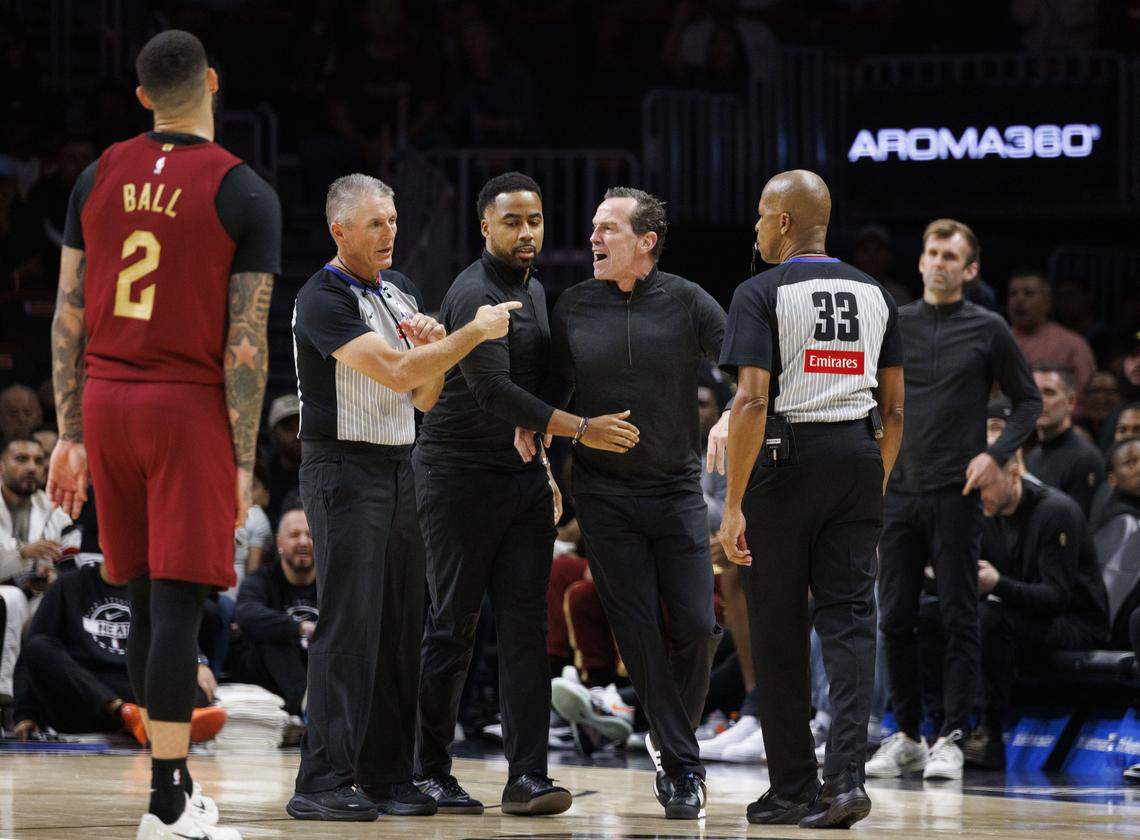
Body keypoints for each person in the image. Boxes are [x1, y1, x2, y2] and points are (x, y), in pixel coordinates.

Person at [47, 30, 281, 840]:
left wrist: (68, 431)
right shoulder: (244, 191)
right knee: (179, 599)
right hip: (185, 405)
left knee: (146, 591)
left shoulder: (97, 172)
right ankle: (168, 804)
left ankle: (173, 789)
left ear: (143, 95)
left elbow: (66, 315)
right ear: (212, 82)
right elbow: (245, 348)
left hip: (107, 397)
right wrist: (242, 462)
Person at [287, 173, 519, 822]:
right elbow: (392, 371)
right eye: (375, 223)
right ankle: (322, 780)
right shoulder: (321, 296)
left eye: (392, 219)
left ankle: (388, 777)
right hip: (341, 469)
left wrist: (433, 350)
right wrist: (466, 336)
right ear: (341, 231)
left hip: (399, 463)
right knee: (349, 623)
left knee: (399, 626)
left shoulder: (402, 292)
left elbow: (421, 395)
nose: (390, 232)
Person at [412, 172, 638, 817]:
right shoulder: (473, 291)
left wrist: (539, 438)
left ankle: (528, 777)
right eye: (512, 221)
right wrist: (577, 431)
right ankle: (428, 770)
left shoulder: (535, 290)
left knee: (526, 630)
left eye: (535, 220)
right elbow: (493, 392)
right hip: (456, 477)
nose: (527, 232)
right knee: (453, 626)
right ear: (485, 226)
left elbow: (544, 382)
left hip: (518, 480)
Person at [717, 169, 905, 829]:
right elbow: (897, 408)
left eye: (762, 215)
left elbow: (750, 399)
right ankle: (846, 781)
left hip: (786, 461)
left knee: (778, 628)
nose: (758, 227)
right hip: (858, 458)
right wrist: (870, 483)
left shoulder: (760, 291)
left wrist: (734, 503)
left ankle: (793, 787)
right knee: (852, 623)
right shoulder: (876, 292)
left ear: (785, 220)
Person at [533, 186, 725, 819]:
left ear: (645, 242)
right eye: (592, 227)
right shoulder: (572, 307)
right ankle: (681, 764)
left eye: (607, 229)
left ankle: (671, 738)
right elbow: (548, 398)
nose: (592, 237)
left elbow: (747, 368)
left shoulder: (689, 301)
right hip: (604, 494)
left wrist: (731, 416)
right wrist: (545, 459)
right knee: (637, 625)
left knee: (697, 625)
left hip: (675, 490)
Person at [870, 219, 1040, 784]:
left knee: (959, 614)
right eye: (932, 252)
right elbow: (867, 394)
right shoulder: (894, 323)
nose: (939, 262)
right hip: (898, 492)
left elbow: (1028, 401)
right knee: (892, 617)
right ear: (919, 262)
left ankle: (952, 736)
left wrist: (997, 454)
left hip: (956, 494)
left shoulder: (988, 329)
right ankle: (909, 736)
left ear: (969, 270)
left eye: (951, 256)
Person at [956, 458, 1108, 770]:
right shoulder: (989, 511)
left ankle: (991, 735)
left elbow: (1056, 597)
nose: (978, 494)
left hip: (1077, 622)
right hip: (1027, 615)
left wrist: (998, 583)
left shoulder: (1055, 511)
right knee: (936, 615)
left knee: (990, 620)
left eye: (984, 486)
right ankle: (942, 728)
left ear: (1013, 475)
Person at [11, 560, 222, 743]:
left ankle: (159, 720)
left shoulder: (153, 589)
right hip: (86, 696)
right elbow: (33, 654)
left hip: (136, 687)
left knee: (194, 681)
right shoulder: (68, 585)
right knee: (39, 646)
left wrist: (198, 661)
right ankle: (145, 719)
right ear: (104, 541)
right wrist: (25, 714)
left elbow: (176, 636)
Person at [1, 437, 80, 706]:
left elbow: (71, 565)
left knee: (54, 607)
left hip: (33, 597)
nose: (32, 467)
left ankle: (46, 705)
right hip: (8, 597)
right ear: (1, 466)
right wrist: (22, 553)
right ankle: (5, 695)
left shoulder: (55, 510)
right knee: (12, 599)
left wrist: (56, 580)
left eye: (38, 461)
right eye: (21, 459)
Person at [234, 507, 316, 719]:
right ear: (279, 542)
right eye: (294, 535)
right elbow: (246, 613)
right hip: (268, 680)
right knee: (271, 637)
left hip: (318, 671)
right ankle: (310, 709)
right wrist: (298, 627)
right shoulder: (262, 579)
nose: (303, 542)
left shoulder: (334, 585)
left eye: (310, 534)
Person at [1025, 364, 1105, 518]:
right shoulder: (1032, 456)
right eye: (1033, 392)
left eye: (1049, 392)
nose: (1040, 401)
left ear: (1071, 401)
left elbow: (1082, 524)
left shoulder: (1085, 458)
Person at [1007, 269, 1095, 394]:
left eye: (1029, 293)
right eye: (1013, 294)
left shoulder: (1073, 344)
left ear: (1047, 302)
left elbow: (1084, 395)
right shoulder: (992, 341)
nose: (1019, 300)